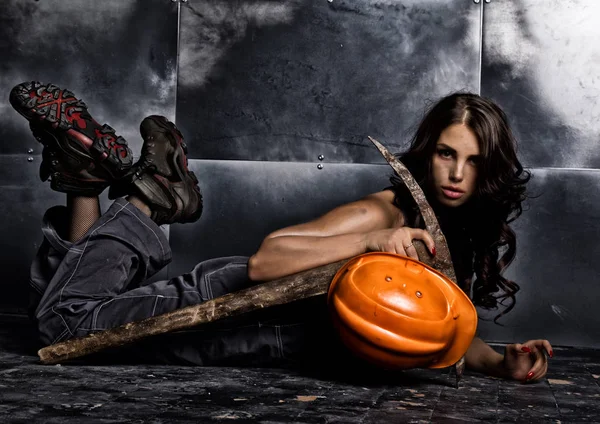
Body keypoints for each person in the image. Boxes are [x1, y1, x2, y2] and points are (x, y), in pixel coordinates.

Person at [10, 81, 552, 382]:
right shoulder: (384, 213)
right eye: (445, 153)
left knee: (65, 305)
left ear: (493, 168)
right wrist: (369, 243)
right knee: (63, 329)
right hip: (222, 306)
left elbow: (444, 331)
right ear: (427, 152)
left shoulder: (454, 231)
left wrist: (503, 362)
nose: (457, 174)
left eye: (474, 162)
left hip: (239, 344)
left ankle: (81, 182)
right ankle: (150, 201)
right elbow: (268, 259)